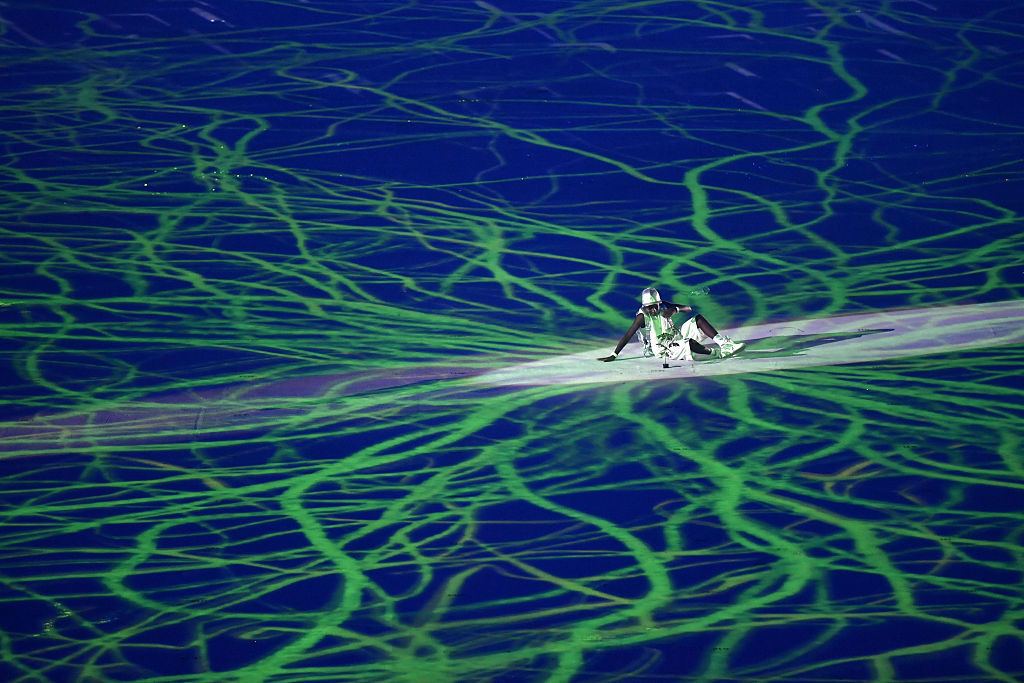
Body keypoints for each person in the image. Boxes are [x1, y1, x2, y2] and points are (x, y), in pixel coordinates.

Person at [597, 287, 744, 366]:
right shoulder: (642, 317)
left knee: (698, 319)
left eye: (655, 306)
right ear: (644, 307)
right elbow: (628, 335)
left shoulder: (663, 306)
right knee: (689, 343)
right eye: (649, 308)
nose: (653, 310)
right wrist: (614, 355)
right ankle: (717, 353)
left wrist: (675, 309)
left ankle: (725, 345)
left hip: (675, 334)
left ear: (659, 303)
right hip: (661, 348)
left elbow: (688, 308)